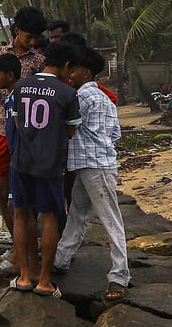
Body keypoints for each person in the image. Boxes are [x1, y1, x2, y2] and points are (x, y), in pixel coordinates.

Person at [7, 40, 82, 298]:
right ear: (67, 65)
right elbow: (71, 131)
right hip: (49, 163)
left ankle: (25, 275)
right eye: (70, 71)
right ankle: (45, 281)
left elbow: (16, 121)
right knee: (49, 216)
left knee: (21, 213)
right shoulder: (67, 93)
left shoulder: (20, 86)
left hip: (21, 162)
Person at [54, 47, 130, 301]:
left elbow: (68, 126)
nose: (70, 74)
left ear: (85, 72)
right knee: (78, 213)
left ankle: (119, 275)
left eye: (73, 69)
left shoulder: (82, 98)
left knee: (109, 220)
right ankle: (61, 258)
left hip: (93, 166)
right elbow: (116, 134)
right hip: (96, 164)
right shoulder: (105, 99)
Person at [0, 7, 47, 248]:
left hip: (32, 136)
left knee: (26, 195)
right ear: (16, 31)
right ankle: (16, 239)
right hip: (3, 131)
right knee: (1, 191)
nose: (32, 42)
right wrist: (24, 90)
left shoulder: (39, 60)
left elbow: (44, 95)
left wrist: (15, 89)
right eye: (28, 37)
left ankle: (26, 243)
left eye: (36, 38)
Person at [0, 51, 21, 278]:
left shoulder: (18, 97)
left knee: (18, 205)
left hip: (18, 154)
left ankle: (22, 255)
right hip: (6, 143)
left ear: (10, 75)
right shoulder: (10, 96)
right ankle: (18, 248)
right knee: (5, 197)